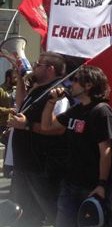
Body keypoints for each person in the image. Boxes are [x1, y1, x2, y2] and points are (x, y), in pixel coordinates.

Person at [39, 65, 112, 226]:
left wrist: (102, 184)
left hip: (92, 187)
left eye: (75, 80)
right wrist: (51, 102)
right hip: (70, 183)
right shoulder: (76, 110)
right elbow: (47, 126)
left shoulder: (101, 111)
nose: (70, 85)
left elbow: (106, 151)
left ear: (88, 85)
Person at [6, 52, 70, 226]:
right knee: (24, 212)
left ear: (50, 69)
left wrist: (26, 126)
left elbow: (57, 129)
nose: (34, 67)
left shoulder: (57, 94)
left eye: (38, 64)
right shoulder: (38, 90)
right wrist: (20, 77)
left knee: (52, 212)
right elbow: (21, 104)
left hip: (41, 166)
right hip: (25, 164)